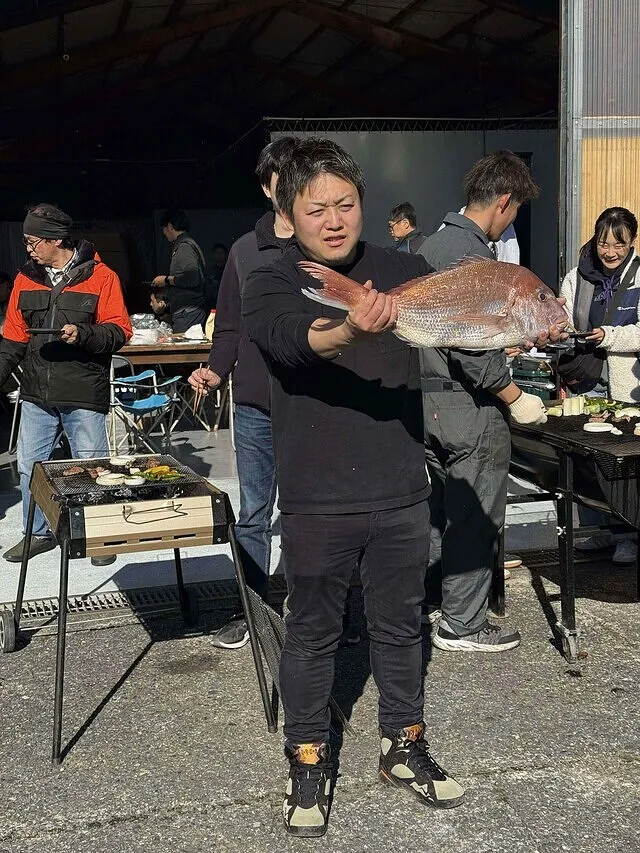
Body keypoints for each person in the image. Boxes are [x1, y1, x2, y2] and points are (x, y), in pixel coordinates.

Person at [242, 137, 466, 838]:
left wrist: (503, 327)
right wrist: (347, 328)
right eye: (317, 208)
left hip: (401, 484)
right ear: (289, 212)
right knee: (312, 635)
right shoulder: (270, 276)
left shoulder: (404, 266)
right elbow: (291, 341)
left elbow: (450, 323)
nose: (335, 219)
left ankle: (402, 742)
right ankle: (307, 756)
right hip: (316, 497)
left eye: (346, 203)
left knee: (402, 628)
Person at [418, 151, 548, 653]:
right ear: (503, 200)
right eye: (514, 212)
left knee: (436, 514)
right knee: (473, 514)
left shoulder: (430, 244)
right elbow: (470, 348)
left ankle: (433, 602)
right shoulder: (475, 257)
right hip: (468, 409)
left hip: (427, 403)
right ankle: (464, 623)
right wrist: (514, 396)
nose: (511, 222)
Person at [188, 136, 299, 649]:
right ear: (266, 186)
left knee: (308, 510)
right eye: (283, 178)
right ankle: (252, 609)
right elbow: (227, 323)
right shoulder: (244, 250)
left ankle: (310, 609)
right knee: (254, 510)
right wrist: (215, 370)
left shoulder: (324, 241)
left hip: (312, 402)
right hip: (255, 401)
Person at [0, 203, 132, 565]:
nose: (28, 248)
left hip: (82, 391)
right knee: (30, 465)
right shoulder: (25, 279)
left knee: (92, 467)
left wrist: (84, 334)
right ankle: (38, 533)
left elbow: (120, 331)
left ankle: (98, 536)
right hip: (36, 393)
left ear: (56, 239)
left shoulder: (102, 277)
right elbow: (12, 340)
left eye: (32, 241)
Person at [560, 206, 640, 565]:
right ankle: (596, 532)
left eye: (618, 245)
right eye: (603, 243)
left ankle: (627, 536)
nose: (609, 252)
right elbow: (560, 321)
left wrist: (608, 335)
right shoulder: (576, 277)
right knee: (585, 460)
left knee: (620, 461)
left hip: (626, 383)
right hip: (585, 378)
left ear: (632, 242)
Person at [151, 209, 207, 333]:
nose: (164, 233)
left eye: (164, 228)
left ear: (170, 226)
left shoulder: (184, 247)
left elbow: (192, 278)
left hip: (188, 312)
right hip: (186, 311)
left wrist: (165, 280)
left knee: (186, 349)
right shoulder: (183, 245)